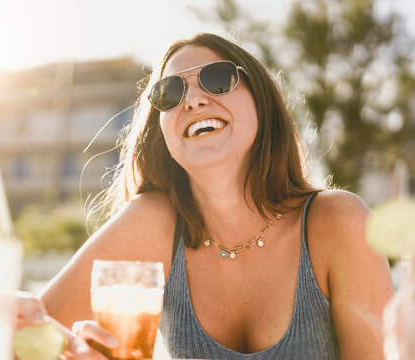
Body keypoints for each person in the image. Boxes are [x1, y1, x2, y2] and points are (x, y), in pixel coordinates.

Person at [26, 33, 394, 359]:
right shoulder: (154, 223)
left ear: (261, 102)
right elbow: (30, 333)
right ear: (162, 132)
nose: (194, 100)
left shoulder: (337, 223)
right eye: (169, 92)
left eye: (218, 79)